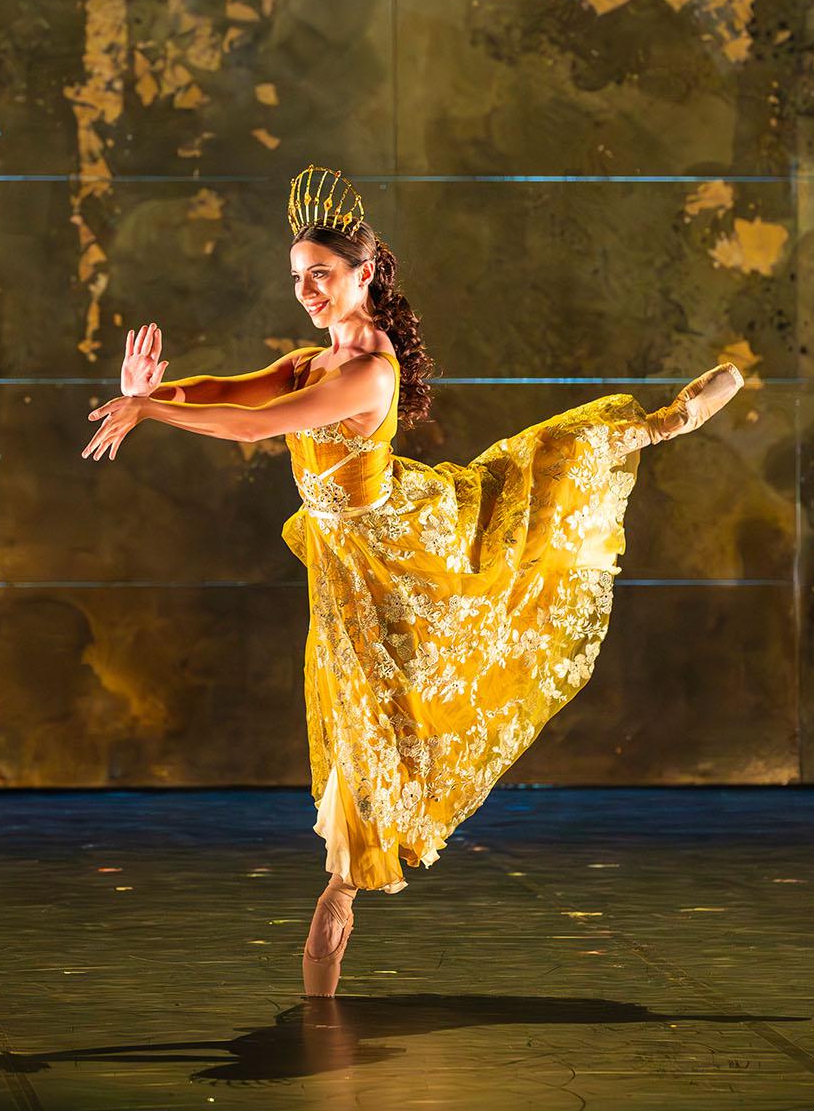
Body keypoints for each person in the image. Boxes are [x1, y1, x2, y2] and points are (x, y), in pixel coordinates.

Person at [81, 165, 744, 997]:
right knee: (356, 713)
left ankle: (660, 422)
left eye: (321, 276)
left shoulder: (367, 375)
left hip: (397, 549)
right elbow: (227, 390)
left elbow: (253, 427)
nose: (307, 292)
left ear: (364, 276)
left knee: (529, 492)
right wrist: (153, 393)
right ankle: (342, 890)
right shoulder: (315, 360)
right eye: (297, 279)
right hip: (345, 562)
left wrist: (155, 413)